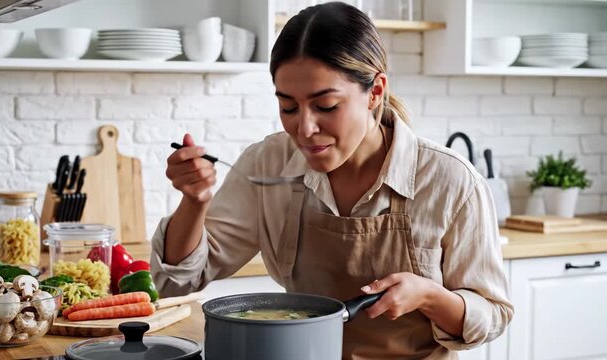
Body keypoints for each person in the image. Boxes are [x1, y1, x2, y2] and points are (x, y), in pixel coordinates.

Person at [151, 2, 513, 359]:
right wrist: (195, 201)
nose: (305, 129)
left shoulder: (449, 180)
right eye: (288, 107)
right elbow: (178, 280)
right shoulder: (267, 163)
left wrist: (430, 296)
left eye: (326, 106)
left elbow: (492, 314)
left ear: (375, 92)